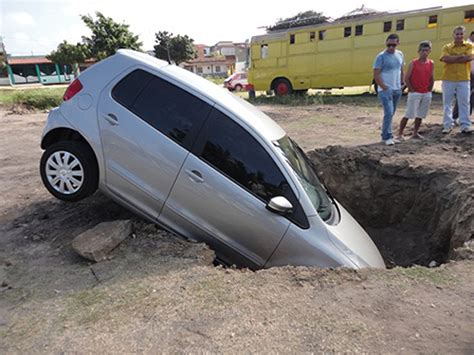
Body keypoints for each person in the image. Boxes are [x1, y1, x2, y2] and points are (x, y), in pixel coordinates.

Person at [397, 41, 434, 140]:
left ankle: (415, 133)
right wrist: (412, 89)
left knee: (420, 114)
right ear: (419, 51)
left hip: (426, 92)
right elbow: (407, 78)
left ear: (430, 51)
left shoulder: (431, 63)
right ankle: (400, 133)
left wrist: (429, 89)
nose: (424, 53)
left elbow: (431, 77)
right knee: (409, 113)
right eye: (422, 50)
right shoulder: (413, 63)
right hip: (415, 92)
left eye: (426, 50)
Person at [440, 26, 473, 134]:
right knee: (447, 103)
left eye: (461, 34)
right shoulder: (447, 46)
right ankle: (447, 124)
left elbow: (469, 58)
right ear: (453, 35)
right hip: (448, 78)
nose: (459, 36)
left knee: (464, 102)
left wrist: (452, 58)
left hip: (464, 78)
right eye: (457, 34)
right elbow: (445, 59)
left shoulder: (470, 46)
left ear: (464, 35)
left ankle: (465, 125)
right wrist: (461, 57)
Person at [373, 33, 405, 145]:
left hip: (397, 88)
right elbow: (376, 74)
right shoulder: (381, 56)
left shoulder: (400, 54)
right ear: (386, 43)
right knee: (388, 112)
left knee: (392, 113)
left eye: (394, 45)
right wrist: (383, 87)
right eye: (389, 45)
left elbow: (401, 69)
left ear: (398, 44)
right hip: (386, 89)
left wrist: (402, 83)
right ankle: (386, 136)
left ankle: (389, 135)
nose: (391, 47)